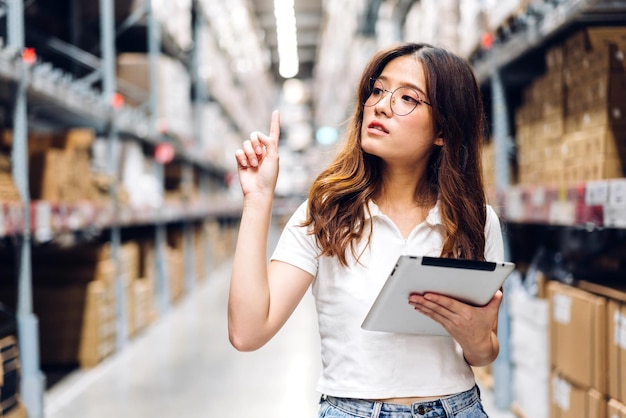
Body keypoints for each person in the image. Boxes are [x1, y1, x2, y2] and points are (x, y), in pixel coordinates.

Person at [229, 42, 505, 418]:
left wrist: (476, 338)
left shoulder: (475, 219)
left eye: (408, 97)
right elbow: (248, 332)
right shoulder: (327, 214)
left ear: (443, 129)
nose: (381, 104)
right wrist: (258, 198)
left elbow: (485, 351)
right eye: (378, 89)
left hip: (457, 407)